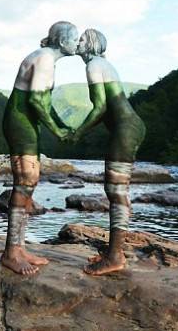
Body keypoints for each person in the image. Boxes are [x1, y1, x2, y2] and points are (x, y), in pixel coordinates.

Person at [0, 21, 78, 275]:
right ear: (61, 40)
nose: (77, 44)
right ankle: (11, 253)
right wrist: (58, 132)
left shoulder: (45, 58)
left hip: (24, 120)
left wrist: (63, 126)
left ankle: (19, 248)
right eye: (74, 38)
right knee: (25, 180)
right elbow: (35, 100)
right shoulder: (45, 59)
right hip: (21, 120)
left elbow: (44, 102)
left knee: (29, 182)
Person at [70, 28, 146, 275]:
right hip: (130, 126)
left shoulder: (93, 65)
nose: (78, 42)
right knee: (115, 190)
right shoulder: (104, 64)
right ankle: (115, 251)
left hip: (126, 128)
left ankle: (114, 257)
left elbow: (101, 107)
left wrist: (79, 131)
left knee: (115, 191)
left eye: (82, 39)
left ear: (91, 44)